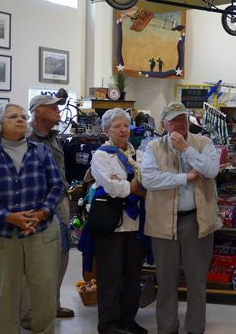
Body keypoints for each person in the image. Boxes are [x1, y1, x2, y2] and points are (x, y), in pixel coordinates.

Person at [0, 103, 64, 334]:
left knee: (44, 293)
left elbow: (56, 186)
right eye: (13, 117)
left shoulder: (41, 151)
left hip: (41, 231)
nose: (20, 120)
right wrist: (9, 216)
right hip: (2, 235)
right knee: (6, 295)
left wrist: (41, 213)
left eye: (23, 116)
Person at [140, 101, 221, 334]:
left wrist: (186, 149)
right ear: (163, 124)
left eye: (182, 118)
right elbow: (149, 180)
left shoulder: (203, 143)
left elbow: (211, 170)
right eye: (173, 120)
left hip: (197, 220)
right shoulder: (153, 147)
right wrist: (185, 178)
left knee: (197, 280)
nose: (179, 123)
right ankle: (167, 328)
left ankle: (195, 328)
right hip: (163, 222)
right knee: (166, 280)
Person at [19, 95, 75, 330]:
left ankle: (51, 304)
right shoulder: (25, 138)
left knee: (61, 253)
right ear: (37, 111)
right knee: (34, 258)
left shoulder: (54, 138)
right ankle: (28, 312)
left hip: (60, 200)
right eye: (52, 108)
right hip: (37, 204)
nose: (58, 111)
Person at [89, 109, 147, 334]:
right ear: (106, 130)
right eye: (117, 126)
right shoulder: (101, 156)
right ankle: (108, 324)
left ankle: (128, 319)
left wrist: (122, 184)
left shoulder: (139, 155)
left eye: (126, 125)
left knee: (133, 276)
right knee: (110, 276)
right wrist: (131, 186)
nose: (123, 130)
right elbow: (112, 188)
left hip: (136, 224)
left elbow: (148, 183)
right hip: (111, 224)